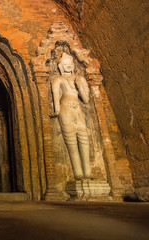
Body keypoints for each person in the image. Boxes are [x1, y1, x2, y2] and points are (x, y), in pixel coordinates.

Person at [51, 52, 92, 180]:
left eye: (70, 64)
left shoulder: (79, 78)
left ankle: (88, 172)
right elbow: (56, 95)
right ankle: (78, 172)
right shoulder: (58, 79)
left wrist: (79, 85)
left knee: (84, 138)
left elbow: (85, 99)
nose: (68, 66)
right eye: (65, 64)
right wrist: (56, 110)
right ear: (61, 67)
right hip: (65, 109)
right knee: (71, 142)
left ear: (73, 65)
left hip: (78, 109)